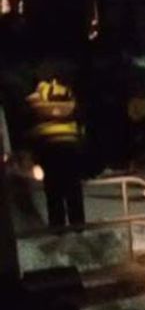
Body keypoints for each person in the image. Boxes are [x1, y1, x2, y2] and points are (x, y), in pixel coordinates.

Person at [26, 76, 85, 226]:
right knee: (74, 192)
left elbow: (33, 136)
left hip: (50, 152)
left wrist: (34, 157)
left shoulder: (41, 108)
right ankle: (78, 227)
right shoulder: (69, 105)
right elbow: (81, 131)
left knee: (54, 193)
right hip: (71, 150)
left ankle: (58, 229)